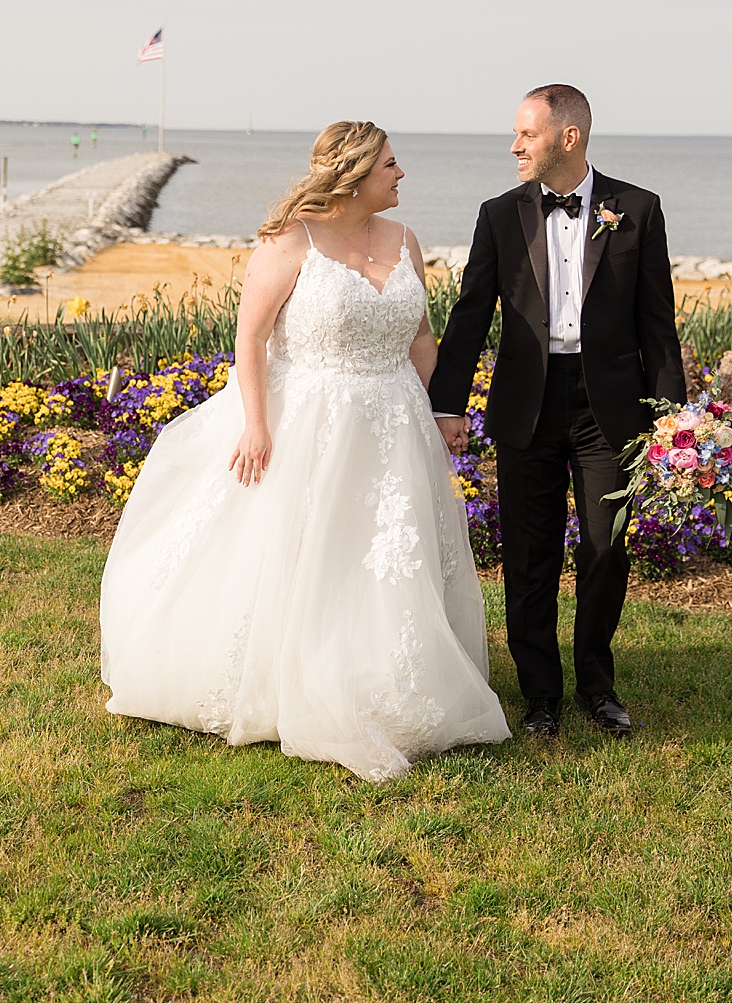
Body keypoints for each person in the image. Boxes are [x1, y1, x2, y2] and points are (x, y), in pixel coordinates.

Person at [100, 121, 511, 782]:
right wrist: (256, 425)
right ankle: (285, 675)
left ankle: (391, 675)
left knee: (386, 552)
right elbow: (251, 340)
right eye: (390, 165)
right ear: (353, 174)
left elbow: (422, 336)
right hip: (311, 420)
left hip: (395, 419)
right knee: (311, 547)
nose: (401, 175)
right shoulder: (290, 241)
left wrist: (441, 410)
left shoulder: (405, 241)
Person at [431, 85, 683, 739]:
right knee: (529, 554)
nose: (514, 146)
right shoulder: (498, 215)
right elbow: (470, 317)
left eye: (526, 135)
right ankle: (540, 696)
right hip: (527, 402)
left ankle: (597, 688)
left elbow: (658, 325)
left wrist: (673, 423)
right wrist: (447, 404)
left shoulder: (637, 209)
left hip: (610, 408)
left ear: (567, 138)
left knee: (605, 550)